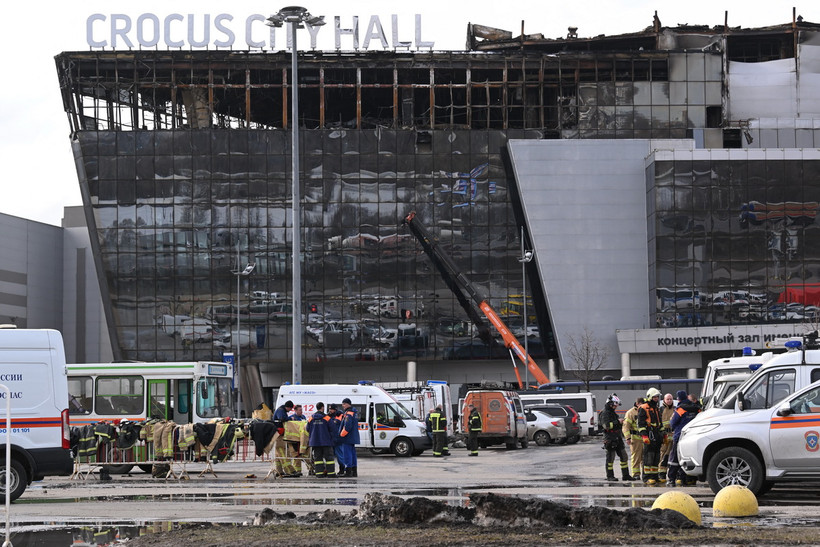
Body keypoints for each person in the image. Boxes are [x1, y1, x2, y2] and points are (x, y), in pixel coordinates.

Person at [667, 390, 701, 486]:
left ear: (678, 399)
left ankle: (672, 480)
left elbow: (673, 423)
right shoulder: (697, 409)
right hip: (693, 437)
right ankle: (684, 480)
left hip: (679, 436)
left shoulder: (680, 409)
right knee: (687, 458)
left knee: (675, 459)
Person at [600, 394, 633, 481]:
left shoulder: (612, 412)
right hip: (610, 438)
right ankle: (610, 476)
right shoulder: (605, 413)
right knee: (610, 458)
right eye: (614, 405)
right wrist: (617, 422)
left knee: (624, 456)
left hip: (617, 437)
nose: (616, 407)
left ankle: (625, 475)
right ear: (610, 404)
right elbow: (606, 426)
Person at [637, 387, 665, 484]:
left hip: (657, 435)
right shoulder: (643, 408)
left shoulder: (656, 408)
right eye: (655, 397)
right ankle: (646, 477)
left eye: (657, 397)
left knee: (656, 457)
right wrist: (644, 436)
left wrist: (663, 435)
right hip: (649, 434)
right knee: (648, 457)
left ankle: (654, 476)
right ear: (650, 397)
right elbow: (640, 424)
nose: (656, 399)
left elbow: (660, 424)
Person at [306, 402, 336, 478]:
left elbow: (307, 429)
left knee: (318, 458)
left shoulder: (311, 418)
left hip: (315, 442)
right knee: (329, 458)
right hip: (326, 441)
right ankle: (331, 473)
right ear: (322, 408)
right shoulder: (327, 418)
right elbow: (333, 429)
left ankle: (319, 474)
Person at [272, 400, 297, 478]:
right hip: (279, 435)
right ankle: (290, 471)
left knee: (278, 454)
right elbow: (282, 418)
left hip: (277, 434)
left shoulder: (281, 410)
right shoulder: (281, 411)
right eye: (290, 409)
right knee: (282, 453)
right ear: (288, 407)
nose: (290, 411)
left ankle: (279, 471)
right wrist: (289, 418)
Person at [621, 397, 644, 480]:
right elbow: (625, 427)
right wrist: (628, 438)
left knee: (645, 457)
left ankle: (645, 473)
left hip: (644, 438)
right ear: (637, 404)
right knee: (636, 457)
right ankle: (636, 474)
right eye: (641, 404)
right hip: (635, 439)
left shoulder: (645, 410)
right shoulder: (631, 413)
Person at [338, 398, 360, 477]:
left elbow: (347, 426)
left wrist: (341, 435)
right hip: (352, 437)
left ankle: (348, 471)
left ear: (347, 404)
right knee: (353, 454)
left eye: (343, 404)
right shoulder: (354, 412)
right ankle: (354, 471)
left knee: (347, 455)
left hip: (347, 437)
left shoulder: (349, 413)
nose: (343, 406)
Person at [658, 393, 675, 481]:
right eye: (667, 399)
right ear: (664, 400)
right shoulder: (660, 410)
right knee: (663, 454)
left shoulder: (675, 409)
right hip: (664, 436)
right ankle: (661, 473)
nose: (669, 401)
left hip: (673, 436)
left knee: (671, 455)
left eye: (670, 399)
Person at [328, 404, 346, 476]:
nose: (330, 410)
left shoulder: (340, 415)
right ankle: (333, 470)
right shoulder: (329, 416)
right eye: (329, 409)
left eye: (331, 409)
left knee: (340, 456)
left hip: (338, 439)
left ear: (335, 409)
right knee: (331, 456)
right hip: (332, 439)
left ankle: (342, 469)